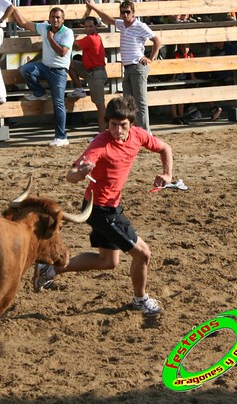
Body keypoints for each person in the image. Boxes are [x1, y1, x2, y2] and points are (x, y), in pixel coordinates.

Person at [33, 95, 173, 315]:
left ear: (131, 124)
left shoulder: (138, 136)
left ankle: (49, 269)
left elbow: (165, 148)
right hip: (98, 209)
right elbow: (70, 176)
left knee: (107, 261)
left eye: (122, 125)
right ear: (107, 122)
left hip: (111, 206)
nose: (117, 130)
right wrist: (80, 172)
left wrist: (167, 174)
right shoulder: (100, 143)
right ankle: (140, 299)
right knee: (143, 254)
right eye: (113, 125)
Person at [86, 0, 160, 133]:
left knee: (140, 102)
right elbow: (106, 18)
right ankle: (134, 132)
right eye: (123, 12)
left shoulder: (140, 25)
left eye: (128, 12)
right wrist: (94, 7)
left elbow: (157, 40)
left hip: (137, 66)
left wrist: (151, 58)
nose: (125, 15)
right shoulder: (122, 24)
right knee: (128, 104)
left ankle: (145, 133)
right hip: (127, 67)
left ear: (133, 13)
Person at [12, 6, 74, 147]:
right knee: (26, 69)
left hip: (59, 72)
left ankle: (61, 137)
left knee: (58, 103)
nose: (55, 19)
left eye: (58, 17)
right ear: (49, 18)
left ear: (63, 19)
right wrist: (12, 8)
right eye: (52, 16)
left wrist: (50, 39)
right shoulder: (44, 27)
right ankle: (39, 93)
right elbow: (23, 23)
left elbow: (63, 52)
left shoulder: (68, 32)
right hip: (45, 67)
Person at [67, 16, 108, 133]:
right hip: (91, 71)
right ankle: (79, 88)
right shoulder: (94, 37)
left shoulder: (91, 39)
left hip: (96, 74)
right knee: (69, 64)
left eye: (91, 26)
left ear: (96, 26)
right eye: (86, 26)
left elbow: (75, 45)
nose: (88, 28)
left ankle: (102, 134)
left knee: (100, 106)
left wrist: (67, 33)